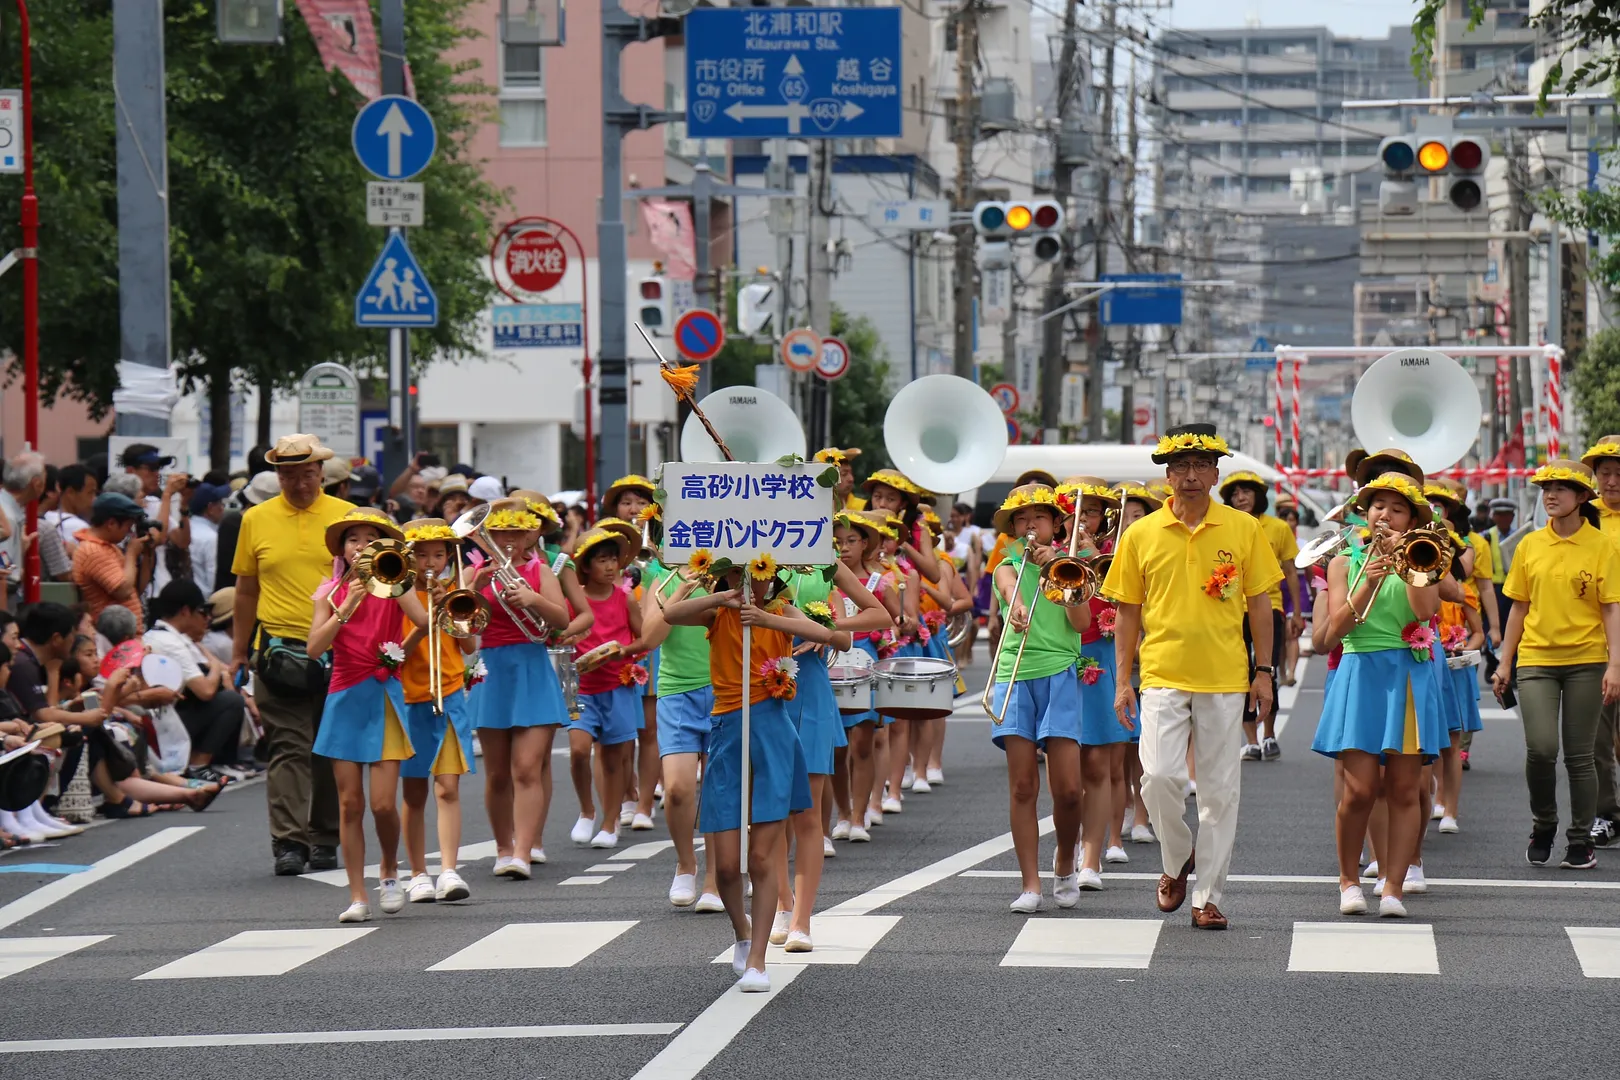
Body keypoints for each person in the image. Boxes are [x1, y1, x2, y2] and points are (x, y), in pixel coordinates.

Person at [1104, 424, 1282, 931]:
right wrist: (1123, 680)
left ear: (1216, 473)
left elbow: (1261, 605)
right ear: (1166, 475)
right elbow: (1127, 613)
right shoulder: (1140, 534)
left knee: (1220, 792)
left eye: (1201, 466)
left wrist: (1264, 672)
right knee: (1158, 778)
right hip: (1161, 672)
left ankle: (1207, 894)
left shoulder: (1243, 529)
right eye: (1179, 466)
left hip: (1226, 677)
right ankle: (1177, 857)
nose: (1190, 476)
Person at [662, 560, 843, 993]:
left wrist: (767, 617)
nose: (750, 580)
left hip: (774, 731)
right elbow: (669, 613)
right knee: (725, 867)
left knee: (761, 857)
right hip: (726, 730)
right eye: (738, 572)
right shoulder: (717, 609)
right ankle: (743, 933)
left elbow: (833, 636)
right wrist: (721, 596)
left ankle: (758, 960)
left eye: (758, 571)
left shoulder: (781, 606)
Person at [1311, 471, 1447, 917]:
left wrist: (1406, 565)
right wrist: (1367, 578)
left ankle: (1394, 886)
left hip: (1408, 673)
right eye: (1378, 507)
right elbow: (1331, 635)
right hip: (1360, 671)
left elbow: (1427, 614)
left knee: (1407, 788)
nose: (1385, 515)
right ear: (1364, 513)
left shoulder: (1422, 560)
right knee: (1360, 790)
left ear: (1411, 521)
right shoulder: (1342, 562)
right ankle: (1349, 880)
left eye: (1397, 509)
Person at [230, 433, 354, 877]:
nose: (299, 483)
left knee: (329, 747)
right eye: (288, 474)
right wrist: (239, 651)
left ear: (322, 472)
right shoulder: (256, 519)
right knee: (288, 745)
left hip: (340, 649)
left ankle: (324, 837)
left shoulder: (346, 520)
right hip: (278, 648)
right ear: (275, 475)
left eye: (306, 474)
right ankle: (288, 842)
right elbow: (246, 590)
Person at [1493, 460, 1620, 871]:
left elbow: (1611, 610)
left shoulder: (1603, 546)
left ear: (1583, 497)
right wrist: (1504, 663)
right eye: (1546, 487)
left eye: (1561, 488)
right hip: (1537, 661)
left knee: (1581, 756)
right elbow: (1518, 609)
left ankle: (1580, 839)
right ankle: (1544, 824)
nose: (1550, 494)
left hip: (1587, 660)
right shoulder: (1530, 545)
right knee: (1542, 749)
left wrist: (1614, 666)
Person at [306, 509, 429, 922]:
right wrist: (348, 602)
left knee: (381, 804)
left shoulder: (395, 581)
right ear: (342, 548)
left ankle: (390, 871)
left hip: (384, 695)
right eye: (352, 538)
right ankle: (357, 895)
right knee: (349, 803)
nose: (360, 545)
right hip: (344, 696)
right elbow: (314, 648)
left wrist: (402, 647)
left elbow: (425, 622)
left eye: (368, 538)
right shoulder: (329, 590)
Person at [986, 484, 1093, 912]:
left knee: (1068, 790)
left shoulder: (1073, 566)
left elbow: (1082, 621)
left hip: (1060, 672)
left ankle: (1065, 861)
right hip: (1015, 672)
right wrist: (1014, 604)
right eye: (1023, 519)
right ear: (1014, 528)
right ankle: (1030, 883)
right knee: (1023, 786)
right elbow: (1010, 588)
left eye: (1040, 518)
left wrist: (1059, 568)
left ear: (1055, 525)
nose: (1031, 526)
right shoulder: (1006, 567)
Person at [470, 498, 575, 879]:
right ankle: (503, 847)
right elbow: (464, 625)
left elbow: (562, 619)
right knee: (497, 773)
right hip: (493, 669)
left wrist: (533, 599)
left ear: (529, 534)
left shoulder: (540, 569)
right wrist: (478, 587)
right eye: (499, 534)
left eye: (515, 533)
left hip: (531, 667)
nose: (507, 540)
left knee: (527, 767)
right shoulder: (476, 572)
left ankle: (524, 851)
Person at [395, 518, 479, 904]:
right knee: (413, 794)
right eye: (422, 555)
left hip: (450, 696)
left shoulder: (452, 591)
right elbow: (396, 655)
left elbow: (469, 648)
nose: (431, 562)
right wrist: (423, 619)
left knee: (448, 788)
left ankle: (448, 869)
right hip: (411, 699)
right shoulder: (396, 595)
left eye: (438, 554)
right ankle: (416, 872)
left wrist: (459, 608)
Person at [1056, 476, 1135, 880]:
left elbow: (1124, 609)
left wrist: (1091, 559)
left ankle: (1092, 857)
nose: (1080, 518)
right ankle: (1067, 849)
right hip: (1058, 659)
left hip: (1100, 657)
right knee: (1066, 768)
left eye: (1088, 510)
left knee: (1099, 763)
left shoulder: (1114, 554)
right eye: (1072, 509)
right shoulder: (1045, 556)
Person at [567, 526, 644, 850]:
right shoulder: (575, 599)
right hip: (580, 687)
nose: (610, 566)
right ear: (585, 565)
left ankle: (610, 823)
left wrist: (625, 652)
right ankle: (587, 809)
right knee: (579, 750)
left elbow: (643, 640)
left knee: (615, 759)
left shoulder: (625, 599)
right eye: (602, 560)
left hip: (617, 685)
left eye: (614, 559)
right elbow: (563, 634)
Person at [1219, 471, 1301, 761]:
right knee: (1239, 675)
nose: (1240, 498)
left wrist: (1296, 613)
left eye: (1246, 492)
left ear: (1258, 496)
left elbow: (1291, 571)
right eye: (1235, 493)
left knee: (1266, 671)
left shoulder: (1278, 528)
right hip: (1230, 611)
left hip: (1271, 608)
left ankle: (1269, 735)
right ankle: (1251, 740)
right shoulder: (1223, 526)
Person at [145, 579, 248, 783]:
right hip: (166, 721)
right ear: (185, 611)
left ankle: (218, 761)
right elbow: (206, 690)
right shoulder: (173, 643)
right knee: (230, 701)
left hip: (164, 718)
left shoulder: (161, 635)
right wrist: (217, 668)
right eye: (202, 612)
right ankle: (198, 764)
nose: (207, 618)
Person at [1580, 436, 1620, 847]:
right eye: (1604, 473)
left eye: (1619, 474)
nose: (1611, 482)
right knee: (1596, 738)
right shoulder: (1584, 520)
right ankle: (1606, 814)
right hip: (1595, 644)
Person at [71, 493, 148, 623]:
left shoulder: (107, 547)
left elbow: (136, 587)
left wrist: (147, 554)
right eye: (128, 527)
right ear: (111, 523)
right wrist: (131, 553)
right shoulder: (93, 551)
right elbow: (124, 590)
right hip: (113, 634)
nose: (129, 533)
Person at [0, 453, 40, 605]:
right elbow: (4, 574)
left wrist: (18, 552)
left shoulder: (10, 512)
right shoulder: (7, 516)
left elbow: (6, 564)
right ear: (36, 483)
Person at [187, 482, 230, 596]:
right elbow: (213, 577)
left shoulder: (186, 529)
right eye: (220, 503)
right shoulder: (210, 538)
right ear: (210, 508)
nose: (222, 507)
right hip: (206, 600)